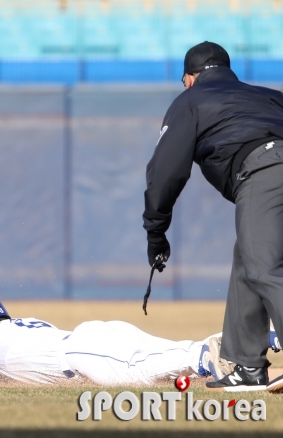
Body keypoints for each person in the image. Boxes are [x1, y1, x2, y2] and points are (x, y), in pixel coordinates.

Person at [143, 41, 283, 392]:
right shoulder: (267, 96)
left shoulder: (189, 101)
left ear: (190, 78)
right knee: (248, 260)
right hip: (271, 166)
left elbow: (165, 173)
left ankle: (249, 365)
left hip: (264, 169)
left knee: (262, 267)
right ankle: (248, 366)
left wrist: (156, 233)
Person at [0, 297, 279, 387]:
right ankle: (246, 343)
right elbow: (9, 374)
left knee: (136, 375)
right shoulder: (21, 326)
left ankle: (210, 355)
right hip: (95, 334)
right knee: (161, 356)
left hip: (81, 350)